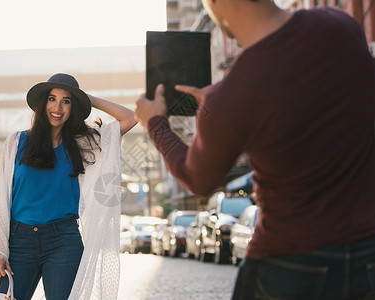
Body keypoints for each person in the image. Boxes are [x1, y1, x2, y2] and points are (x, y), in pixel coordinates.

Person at [135, 0, 375, 298]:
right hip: (367, 250)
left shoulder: (233, 92)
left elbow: (198, 178)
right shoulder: (340, 25)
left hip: (289, 262)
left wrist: (155, 123)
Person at [0, 73, 136, 300]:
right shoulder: (16, 142)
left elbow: (130, 118)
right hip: (19, 241)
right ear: (43, 102)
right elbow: (2, 198)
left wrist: (88, 99)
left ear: (73, 108)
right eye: (52, 99)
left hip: (63, 241)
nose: (58, 107)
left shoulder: (83, 144)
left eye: (66, 101)